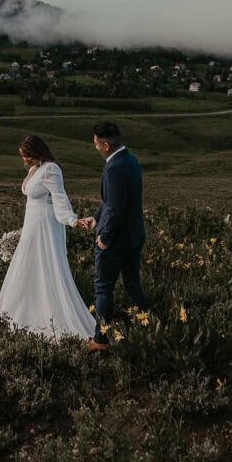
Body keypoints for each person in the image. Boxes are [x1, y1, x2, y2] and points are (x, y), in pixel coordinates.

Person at [0, 134, 94, 340]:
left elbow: (59, 198)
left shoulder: (51, 169)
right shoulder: (34, 169)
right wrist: (25, 226)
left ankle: (50, 317)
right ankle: (19, 314)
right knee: (27, 265)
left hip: (46, 226)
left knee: (46, 265)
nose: (25, 160)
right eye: (23, 157)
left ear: (37, 152)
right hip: (32, 225)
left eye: (27, 156)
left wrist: (72, 219)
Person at [79, 121, 147, 352]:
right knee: (133, 286)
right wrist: (97, 218)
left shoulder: (114, 167)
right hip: (133, 236)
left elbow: (116, 208)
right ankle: (146, 328)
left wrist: (104, 237)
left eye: (97, 144)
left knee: (103, 288)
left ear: (106, 145)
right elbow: (113, 202)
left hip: (116, 240)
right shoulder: (130, 160)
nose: (95, 148)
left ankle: (100, 340)